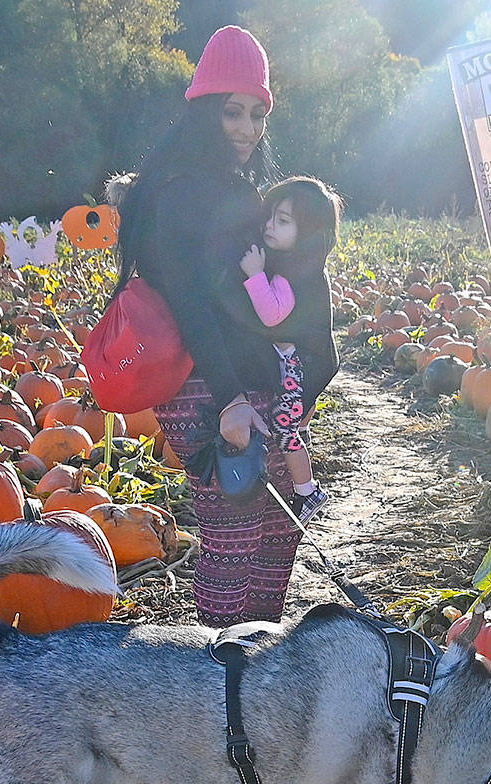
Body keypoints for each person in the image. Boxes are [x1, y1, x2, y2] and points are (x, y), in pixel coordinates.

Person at [106, 25, 338, 627]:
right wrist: (232, 398)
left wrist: (299, 383)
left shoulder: (231, 188)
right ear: (204, 109)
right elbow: (191, 304)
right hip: (208, 390)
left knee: (275, 535)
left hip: (247, 386)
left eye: (258, 114)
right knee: (233, 540)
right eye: (233, 111)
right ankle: (219, 677)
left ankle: (256, 660)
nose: (247, 128)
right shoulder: (181, 192)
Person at [236, 177, 342, 526]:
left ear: (307, 232)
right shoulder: (303, 268)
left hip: (295, 370)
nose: (269, 225)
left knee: (285, 432)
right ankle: (302, 487)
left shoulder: (293, 274)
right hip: (296, 368)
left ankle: (307, 491)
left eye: (283, 221)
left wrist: (254, 275)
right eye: (270, 217)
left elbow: (271, 314)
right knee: (287, 427)